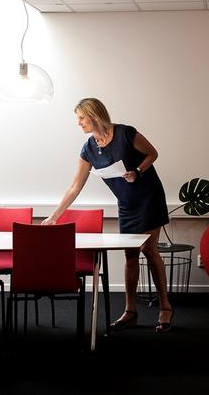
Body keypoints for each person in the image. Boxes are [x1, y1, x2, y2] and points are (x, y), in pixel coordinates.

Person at [42, 98, 174, 333]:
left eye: (81, 118)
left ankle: (165, 307)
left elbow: (152, 154)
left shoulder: (125, 133)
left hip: (148, 197)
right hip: (126, 204)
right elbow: (75, 187)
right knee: (130, 254)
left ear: (94, 116)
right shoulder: (89, 149)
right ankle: (130, 311)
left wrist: (137, 171)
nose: (79, 123)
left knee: (149, 249)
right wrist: (54, 216)